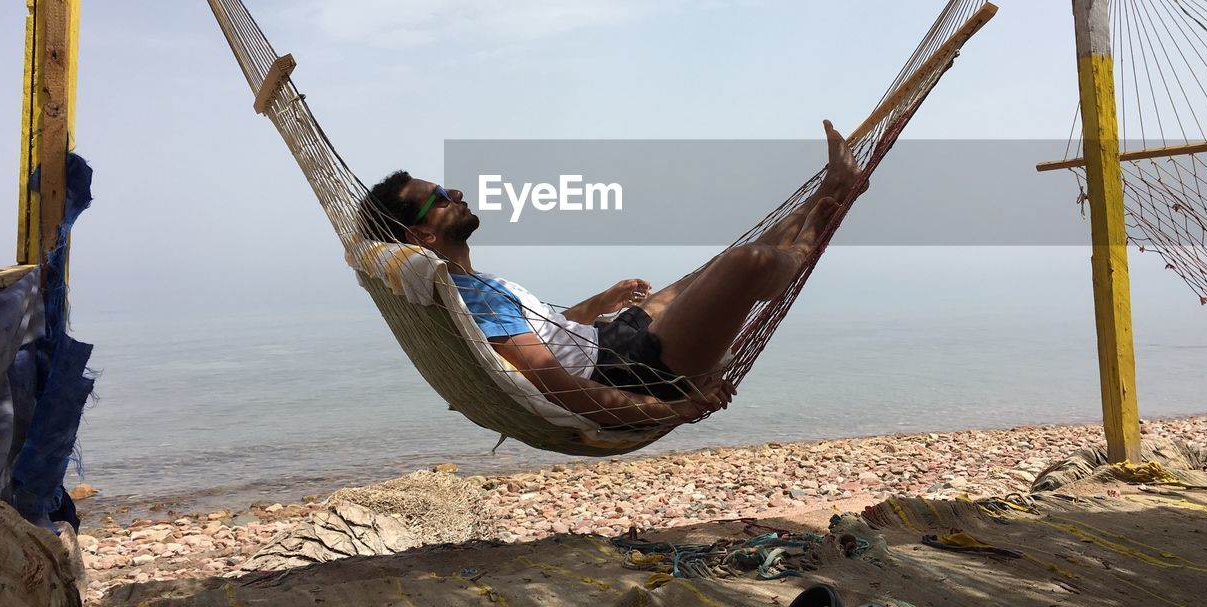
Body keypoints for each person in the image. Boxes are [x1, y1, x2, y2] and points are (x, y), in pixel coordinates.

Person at [363, 120, 863, 426]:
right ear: (421, 237)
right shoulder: (472, 299)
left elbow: (543, 335)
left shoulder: (476, 288)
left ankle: (832, 194)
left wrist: (601, 301)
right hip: (633, 370)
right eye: (440, 197)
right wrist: (671, 410)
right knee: (746, 265)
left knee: (735, 257)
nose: (456, 193)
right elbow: (558, 385)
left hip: (615, 337)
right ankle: (826, 212)